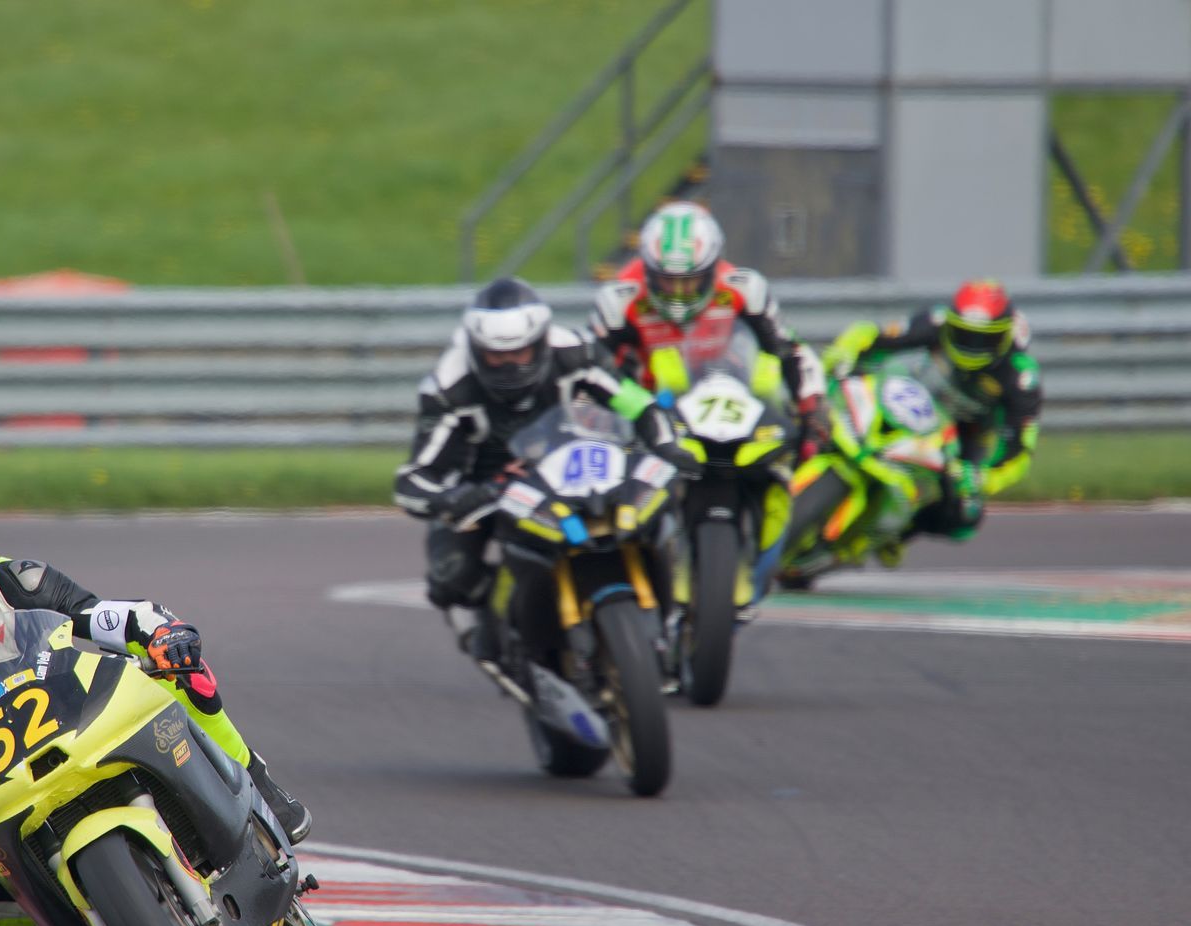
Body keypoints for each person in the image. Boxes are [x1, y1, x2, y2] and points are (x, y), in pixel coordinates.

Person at [0, 475, 309, 926]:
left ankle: (258, 786)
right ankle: (80, 913)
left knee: (180, 666)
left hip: (76, 717)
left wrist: (164, 633)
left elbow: (109, 617)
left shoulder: (18, 581)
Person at [393, 276, 697, 661]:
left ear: (540, 342)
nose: (509, 364)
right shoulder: (448, 388)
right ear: (476, 349)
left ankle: (676, 600)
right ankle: (495, 627)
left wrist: (666, 445)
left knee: (657, 501)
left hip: (570, 460)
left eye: (520, 353)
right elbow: (414, 478)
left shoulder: (574, 352)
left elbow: (638, 404)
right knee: (450, 576)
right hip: (486, 485)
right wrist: (453, 499)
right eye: (496, 356)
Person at [822, 278, 1042, 553]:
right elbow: (872, 334)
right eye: (964, 335)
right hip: (907, 392)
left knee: (965, 515)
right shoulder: (936, 321)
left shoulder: (1021, 377)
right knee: (817, 400)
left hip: (964, 430)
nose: (972, 345)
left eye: (984, 338)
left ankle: (896, 535)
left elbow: (1018, 453)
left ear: (1004, 336)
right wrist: (843, 352)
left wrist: (981, 477)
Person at [591, 200, 827, 455]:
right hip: (649, 417)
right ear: (648, 272)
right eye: (668, 281)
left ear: (712, 270)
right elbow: (590, 371)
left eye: (689, 282)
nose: (678, 294)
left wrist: (811, 408)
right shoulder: (620, 299)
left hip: (732, 406)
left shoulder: (743, 289)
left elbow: (790, 350)